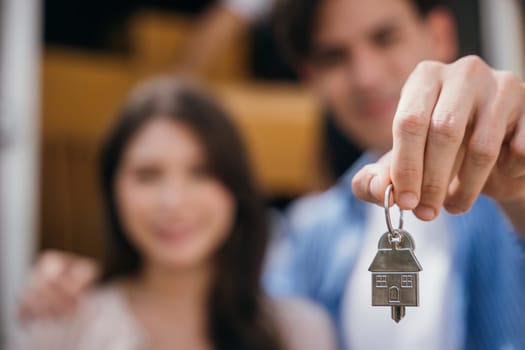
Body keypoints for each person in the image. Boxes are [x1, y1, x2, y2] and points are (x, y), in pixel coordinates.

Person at [19, 0, 525, 349]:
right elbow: (241, 314)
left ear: (439, 32)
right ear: (310, 79)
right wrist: (76, 290)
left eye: (384, 37)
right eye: (334, 56)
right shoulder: (310, 233)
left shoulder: (507, 171)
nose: (366, 75)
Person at [11, 77, 336, 350]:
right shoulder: (61, 326)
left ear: (235, 187)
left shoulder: (299, 331)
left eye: (201, 172)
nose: (173, 202)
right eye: (148, 175)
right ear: (112, 190)